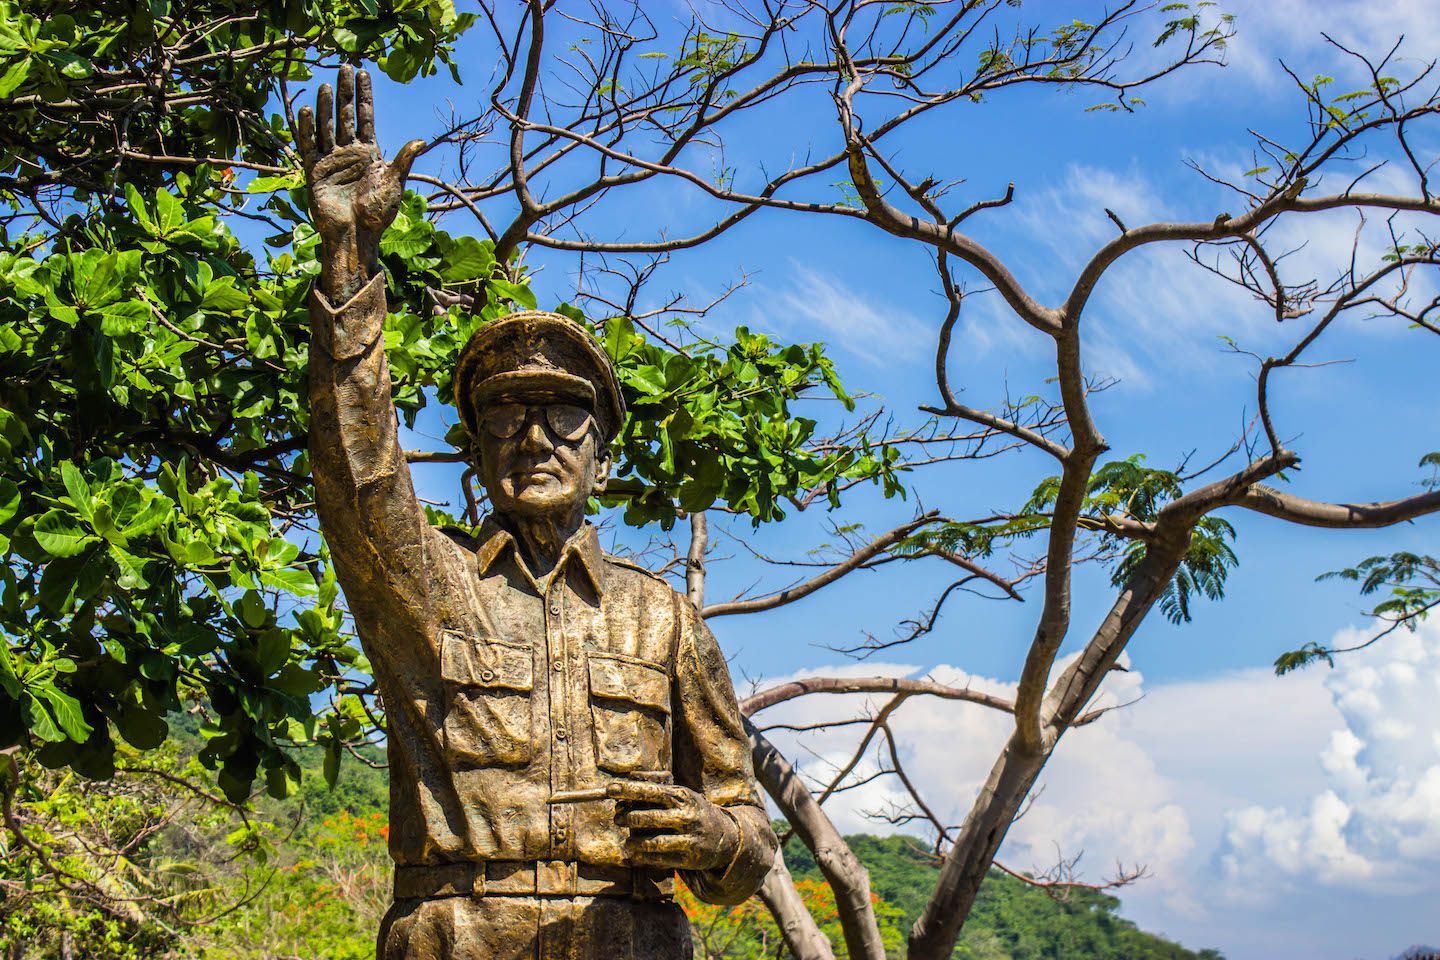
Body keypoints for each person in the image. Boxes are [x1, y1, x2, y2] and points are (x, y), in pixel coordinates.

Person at [297, 66, 777, 959]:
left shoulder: (664, 621)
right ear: (476, 449)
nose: (535, 439)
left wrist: (720, 839)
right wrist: (348, 259)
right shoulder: (430, 588)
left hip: (631, 937)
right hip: (457, 936)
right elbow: (356, 470)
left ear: (601, 450)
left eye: (564, 417)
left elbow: (745, 823)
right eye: (505, 418)